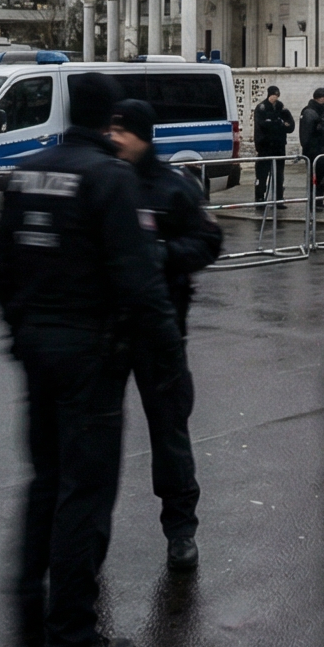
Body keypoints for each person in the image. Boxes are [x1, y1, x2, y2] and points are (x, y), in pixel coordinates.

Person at [0, 71, 180, 647]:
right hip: (91, 357)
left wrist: (20, 331)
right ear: (110, 121)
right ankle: (71, 637)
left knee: (43, 483)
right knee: (83, 493)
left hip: (38, 351)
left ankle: (28, 616)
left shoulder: (25, 171)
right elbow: (139, 278)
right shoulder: (110, 178)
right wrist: (167, 352)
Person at [109, 98, 225, 570]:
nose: (114, 138)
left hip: (161, 332)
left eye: (123, 130)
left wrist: (161, 256)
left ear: (143, 135)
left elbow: (208, 242)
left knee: (169, 434)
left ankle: (181, 530)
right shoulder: (104, 183)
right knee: (98, 438)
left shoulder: (173, 188)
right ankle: (92, 531)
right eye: (110, 129)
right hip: (110, 333)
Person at [252, 85, 295, 216]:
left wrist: (277, 124)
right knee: (262, 174)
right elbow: (263, 125)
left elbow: (290, 125)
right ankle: (260, 198)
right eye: (273, 95)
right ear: (269, 95)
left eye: (276, 95)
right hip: (265, 146)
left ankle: (278, 199)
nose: (275, 97)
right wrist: (279, 124)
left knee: (279, 174)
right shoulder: (261, 108)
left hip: (279, 146)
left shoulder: (281, 108)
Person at [300, 87, 324, 210]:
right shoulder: (310, 112)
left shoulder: (320, 111)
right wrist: (310, 150)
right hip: (314, 152)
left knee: (321, 177)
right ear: (321, 98)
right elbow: (306, 135)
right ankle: (313, 203)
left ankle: (319, 200)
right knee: (314, 178)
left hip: (322, 150)